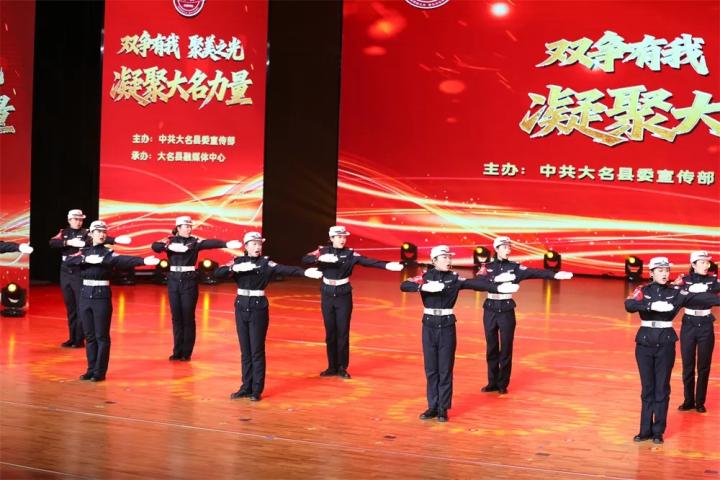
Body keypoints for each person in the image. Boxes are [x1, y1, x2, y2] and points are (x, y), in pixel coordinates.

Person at [401, 245, 519, 422]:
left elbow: (475, 284)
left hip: (447, 326)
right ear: (434, 260)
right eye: (444, 257)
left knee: (445, 369)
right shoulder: (425, 277)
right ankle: (432, 406)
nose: (448, 260)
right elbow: (404, 285)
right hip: (429, 326)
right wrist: (423, 288)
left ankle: (443, 408)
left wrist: (498, 287)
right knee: (431, 369)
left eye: (449, 257)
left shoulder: (454, 278)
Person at [215, 232, 323, 401]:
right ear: (246, 246)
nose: (257, 247)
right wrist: (232, 269)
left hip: (258, 307)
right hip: (241, 306)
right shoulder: (238, 261)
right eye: (254, 244)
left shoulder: (265, 263)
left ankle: (256, 389)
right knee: (245, 351)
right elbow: (217, 273)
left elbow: (286, 269)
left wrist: (304, 272)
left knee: (256, 350)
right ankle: (246, 386)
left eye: (259, 244)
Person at [625, 256, 720, 444]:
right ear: (651, 273)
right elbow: (629, 305)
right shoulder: (643, 290)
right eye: (660, 270)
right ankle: (644, 430)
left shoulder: (676, 292)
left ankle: (658, 431)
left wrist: (701, 291)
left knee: (662, 388)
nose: (664, 273)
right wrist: (650, 305)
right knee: (647, 389)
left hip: (666, 343)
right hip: (644, 343)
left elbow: (706, 299)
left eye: (667, 270)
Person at [303, 226, 404, 379]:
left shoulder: (350, 253)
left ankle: (342, 367)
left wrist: (386, 265)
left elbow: (368, 261)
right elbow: (305, 259)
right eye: (339, 237)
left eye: (344, 237)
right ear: (331, 238)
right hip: (327, 294)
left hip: (343, 295)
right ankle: (331, 366)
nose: (342, 239)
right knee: (330, 333)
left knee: (342, 333)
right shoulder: (322, 251)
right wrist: (319, 259)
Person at [65, 220, 159, 381]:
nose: (102, 235)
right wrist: (85, 260)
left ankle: (99, 372)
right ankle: (90, 369)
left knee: (101, 336)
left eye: (104, 232)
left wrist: (143, 261)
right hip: (85, 295)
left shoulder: (108, 253)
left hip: (101, 296)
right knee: (89, 336)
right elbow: (68, 261)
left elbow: (123, 259)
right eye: (98, 231)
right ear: (91, 234)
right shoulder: (83, 252)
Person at [478, 236, 573, 394]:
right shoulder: (487, 267)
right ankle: (492, 382)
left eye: (509, 247)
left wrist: (554, 275)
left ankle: (502, 384)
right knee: (491, 347)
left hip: (506, 309)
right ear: (496, 249)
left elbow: (535, 272)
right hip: (490, 309)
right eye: (504, 247)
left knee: (506, 348)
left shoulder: (514, 267)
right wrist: (495, 279)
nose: (508, 250)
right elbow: (478, 282)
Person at [151, 216, 241, 361]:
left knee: (187, 317)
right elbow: (155, 246)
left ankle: (186, 353)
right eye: (186, 226)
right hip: (174, 280)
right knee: (176, 317)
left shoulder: (194, 241)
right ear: (178, 228)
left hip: (189, 281)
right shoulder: (170, 241)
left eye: (190, 226)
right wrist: (167, 247)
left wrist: (225, 244)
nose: (189, 229)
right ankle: (177, 351)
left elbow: (209, 243)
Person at [49, 209, 131, 348]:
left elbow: (100, 238)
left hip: (79, 271)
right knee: (70, 307)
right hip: (65, 271)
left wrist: (115, 240)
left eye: (81, 219)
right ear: (69, 220)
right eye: (76, 219)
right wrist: (68, 242)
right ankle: (72, 337)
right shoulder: (64, 233)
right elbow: (52, 242)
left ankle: (79, 339)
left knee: (80, 306)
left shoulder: (86, 233)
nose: (78, 222)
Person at [674, 251, 719, 414]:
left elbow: (717, 301)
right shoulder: (684, 280)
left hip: (706, 325)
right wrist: (703, 295)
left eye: (707, 262)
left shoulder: (713, 281)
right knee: (688, 365)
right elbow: (677, 300)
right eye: (702, 262)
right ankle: (688, 400)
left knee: (704, 366)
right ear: (693, 264)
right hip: (688, 324)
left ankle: (700, 401)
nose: (706, 265)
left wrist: (691, 295)